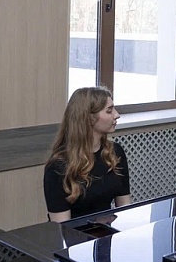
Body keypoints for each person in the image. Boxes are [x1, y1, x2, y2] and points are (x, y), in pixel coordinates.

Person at [43, 86, 132, 222]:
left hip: (108, 232)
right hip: (76, 234)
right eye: (109, 111)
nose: (117, 115)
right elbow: (61, 227)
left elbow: (125, 209)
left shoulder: (115, 152)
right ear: (89, 118)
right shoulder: (58, 166)